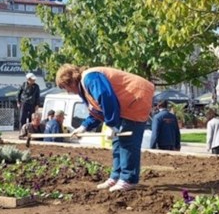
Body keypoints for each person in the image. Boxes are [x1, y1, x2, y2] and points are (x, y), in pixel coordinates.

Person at [56, 64, 154, 192]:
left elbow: (106, 97)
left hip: (136, 98)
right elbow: (97, 110)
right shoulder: (85, 87)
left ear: (71, 81)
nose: (68, 91)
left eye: (66, 87)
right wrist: (83, 126)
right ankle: (117, 176)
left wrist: (112, 124)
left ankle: (128, 179)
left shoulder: (90, 78)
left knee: (127, 141)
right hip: (126, 104)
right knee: (117, 142)